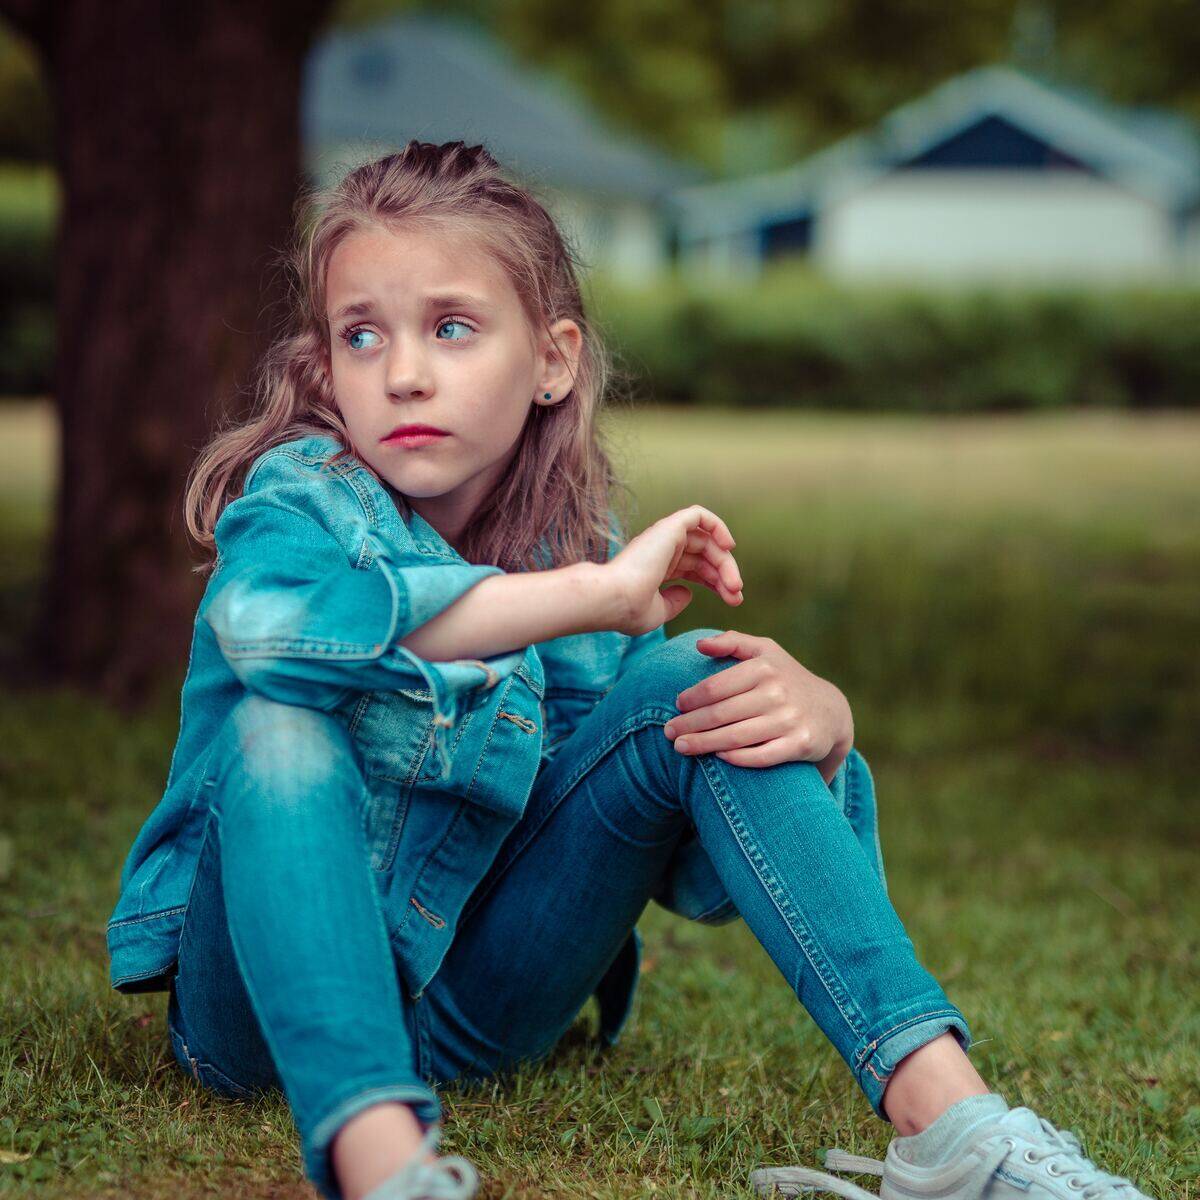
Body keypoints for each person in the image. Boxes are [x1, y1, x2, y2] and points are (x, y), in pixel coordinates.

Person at [105, 140, 1153, 1200]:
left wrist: (826, 726)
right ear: (325, 368)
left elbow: (693, 873)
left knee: (704, 676)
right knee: (279, 725)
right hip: (257, 1022)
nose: (403, 371)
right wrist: (597, 596)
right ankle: (388, 1168)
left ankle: (957, 1131)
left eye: (452, 328)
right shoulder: (299, 501)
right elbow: (274, 638)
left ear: (552, 359)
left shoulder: (577, 542)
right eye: (361, 334)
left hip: (478, 1007)